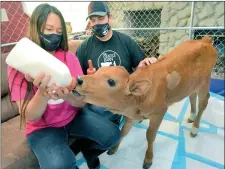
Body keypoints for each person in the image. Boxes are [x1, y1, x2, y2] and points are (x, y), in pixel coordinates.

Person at [8, 3, 120, 169]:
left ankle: (89, 152)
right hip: (43, 129)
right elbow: (29, 116)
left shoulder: (69, 58)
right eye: (49, 29)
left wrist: (67, 95)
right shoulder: (21, 64)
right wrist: (42, 94)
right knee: (59, 165)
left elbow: (81, 102)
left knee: (112, 135)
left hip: (73, 117)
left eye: (59, 32)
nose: (55, 35)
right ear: (36, 28)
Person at [75, 1, 157, 127]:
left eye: (101, 18)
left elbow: (140, 65)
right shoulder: (84, 48)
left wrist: (143, 66)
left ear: (110, 18)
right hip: (101, 101)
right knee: (95, 110)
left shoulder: (125, 41)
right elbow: (77, 78)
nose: (97, 23)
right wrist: (89, 77)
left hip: (123, 97)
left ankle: (121, 116)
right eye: (93, 20)